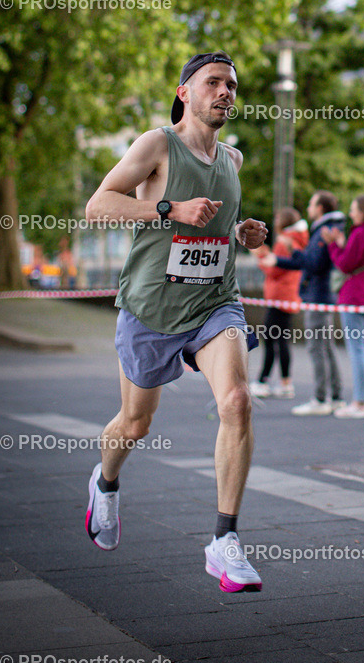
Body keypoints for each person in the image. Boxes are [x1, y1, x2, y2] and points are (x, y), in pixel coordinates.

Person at [84, 51, 268, 594]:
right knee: (135, 423)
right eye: (213, 82)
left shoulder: (232, 159)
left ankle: (224, 540)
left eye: (232, 85)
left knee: (236, 401)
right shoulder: (156, 144)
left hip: (215, 304)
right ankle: (107, 482)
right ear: (185, 91)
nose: (225, 92)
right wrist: (170, 210)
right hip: (151, 308)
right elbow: (98, 206)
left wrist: (243, 236)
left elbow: (214, 230)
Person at [262, 191, 345, 416]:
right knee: (326, 347)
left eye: (311, 203)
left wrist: (292, 252)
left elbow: (314, 264)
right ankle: (335, 396)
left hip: (317, 295)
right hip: (320, 295)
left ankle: (320, 399)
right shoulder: (323, 228)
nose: (308, 208)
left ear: (319, 208)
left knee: (317, 347)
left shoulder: (324, 229)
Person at [321, 195, 364, 419]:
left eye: (353, 209)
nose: (351, 214)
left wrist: (332, 246)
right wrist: (342, 245)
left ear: (363, 212)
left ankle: (359, 402)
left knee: (357, 349)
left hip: (353, 297)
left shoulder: (359, 233)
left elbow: (345, 264)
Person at [250, 207, 308, 398]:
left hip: (279, 296)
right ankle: (284, 382)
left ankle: (264, 381)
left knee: (271, 339)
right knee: (281, 340)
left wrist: (260, 256)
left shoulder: (285, 240)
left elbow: (274, 269)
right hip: (288, 296)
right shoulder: (297, 239)